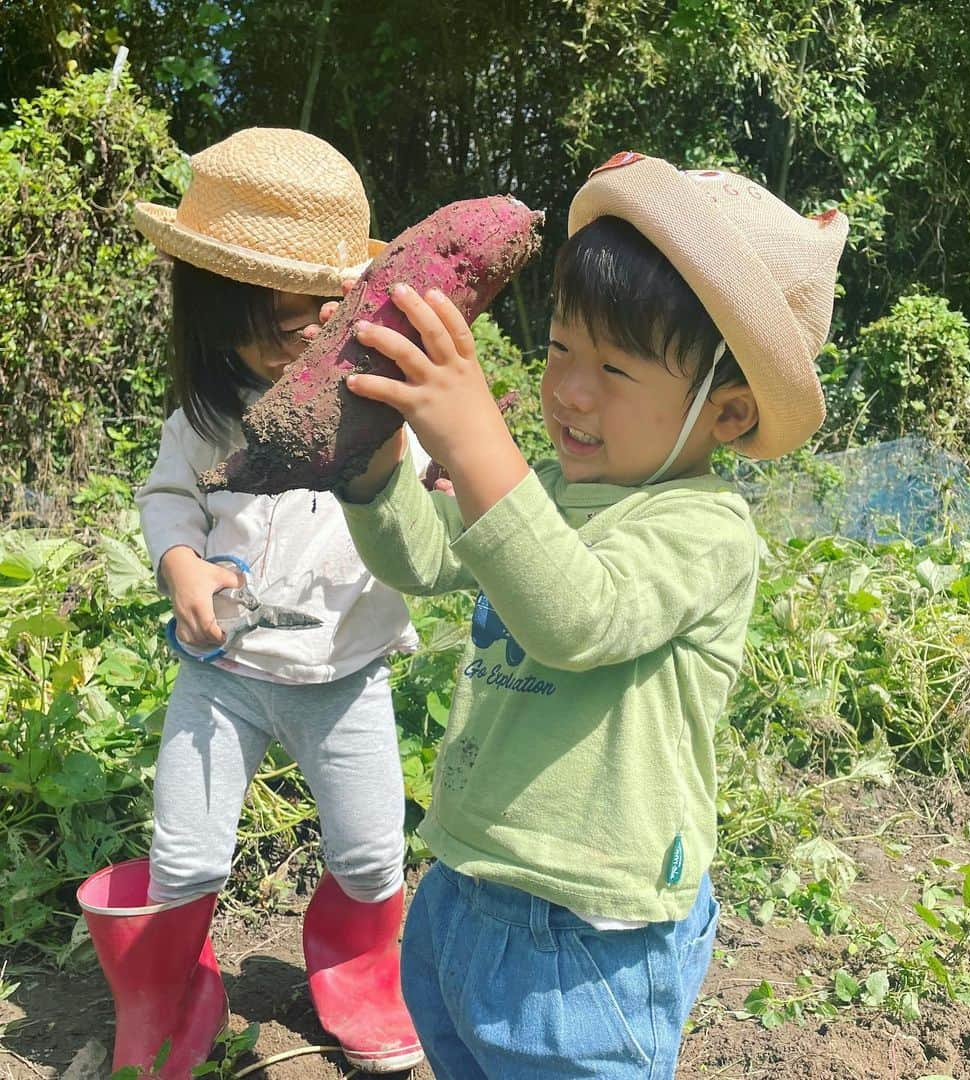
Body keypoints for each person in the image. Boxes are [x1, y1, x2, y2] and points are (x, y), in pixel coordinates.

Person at [329, 151, 848, 1077]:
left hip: (588, 938)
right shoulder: (555, 497)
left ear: (726, 416)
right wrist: (370, 457)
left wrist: (479, 437)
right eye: (562, 346)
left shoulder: (704, 528)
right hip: (462, 890)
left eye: (614, 366)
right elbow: (420, 550)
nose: (570, 388)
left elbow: (578, 616)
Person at [75, 128, 425, 1078]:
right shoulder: (202, 419)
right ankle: (171, 1000)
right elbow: (165, 500)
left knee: (371, 854)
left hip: (345, 676)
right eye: (268, 319)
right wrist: (181, 564)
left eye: (321, 311)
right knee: (184, 856)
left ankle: (359, 974)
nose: (299, 336)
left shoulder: (388, 407)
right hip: (222, 676)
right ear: (211, 309)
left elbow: (437, 499)